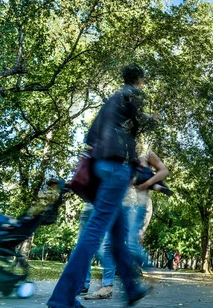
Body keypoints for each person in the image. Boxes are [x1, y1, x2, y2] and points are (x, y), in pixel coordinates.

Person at [46, 64, 155, 308]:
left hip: (102, 166)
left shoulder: (111, 101)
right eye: (144, 79)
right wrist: (153, 120)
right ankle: (61, 299)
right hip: (116, 168)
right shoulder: (132, 94)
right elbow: (140, 123)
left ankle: (131, 287)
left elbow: (91, 136)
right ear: (139, 79)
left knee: (117, 233)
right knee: (94, 232)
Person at [86, 150, 168, 300]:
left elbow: (164, 171)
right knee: (106, 245)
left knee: (130, 244)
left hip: (137, 205)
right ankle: (107, 287)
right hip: (118, 203)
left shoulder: (146, 152)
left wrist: (146, 184)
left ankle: (150, 271)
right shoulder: (118, 151)